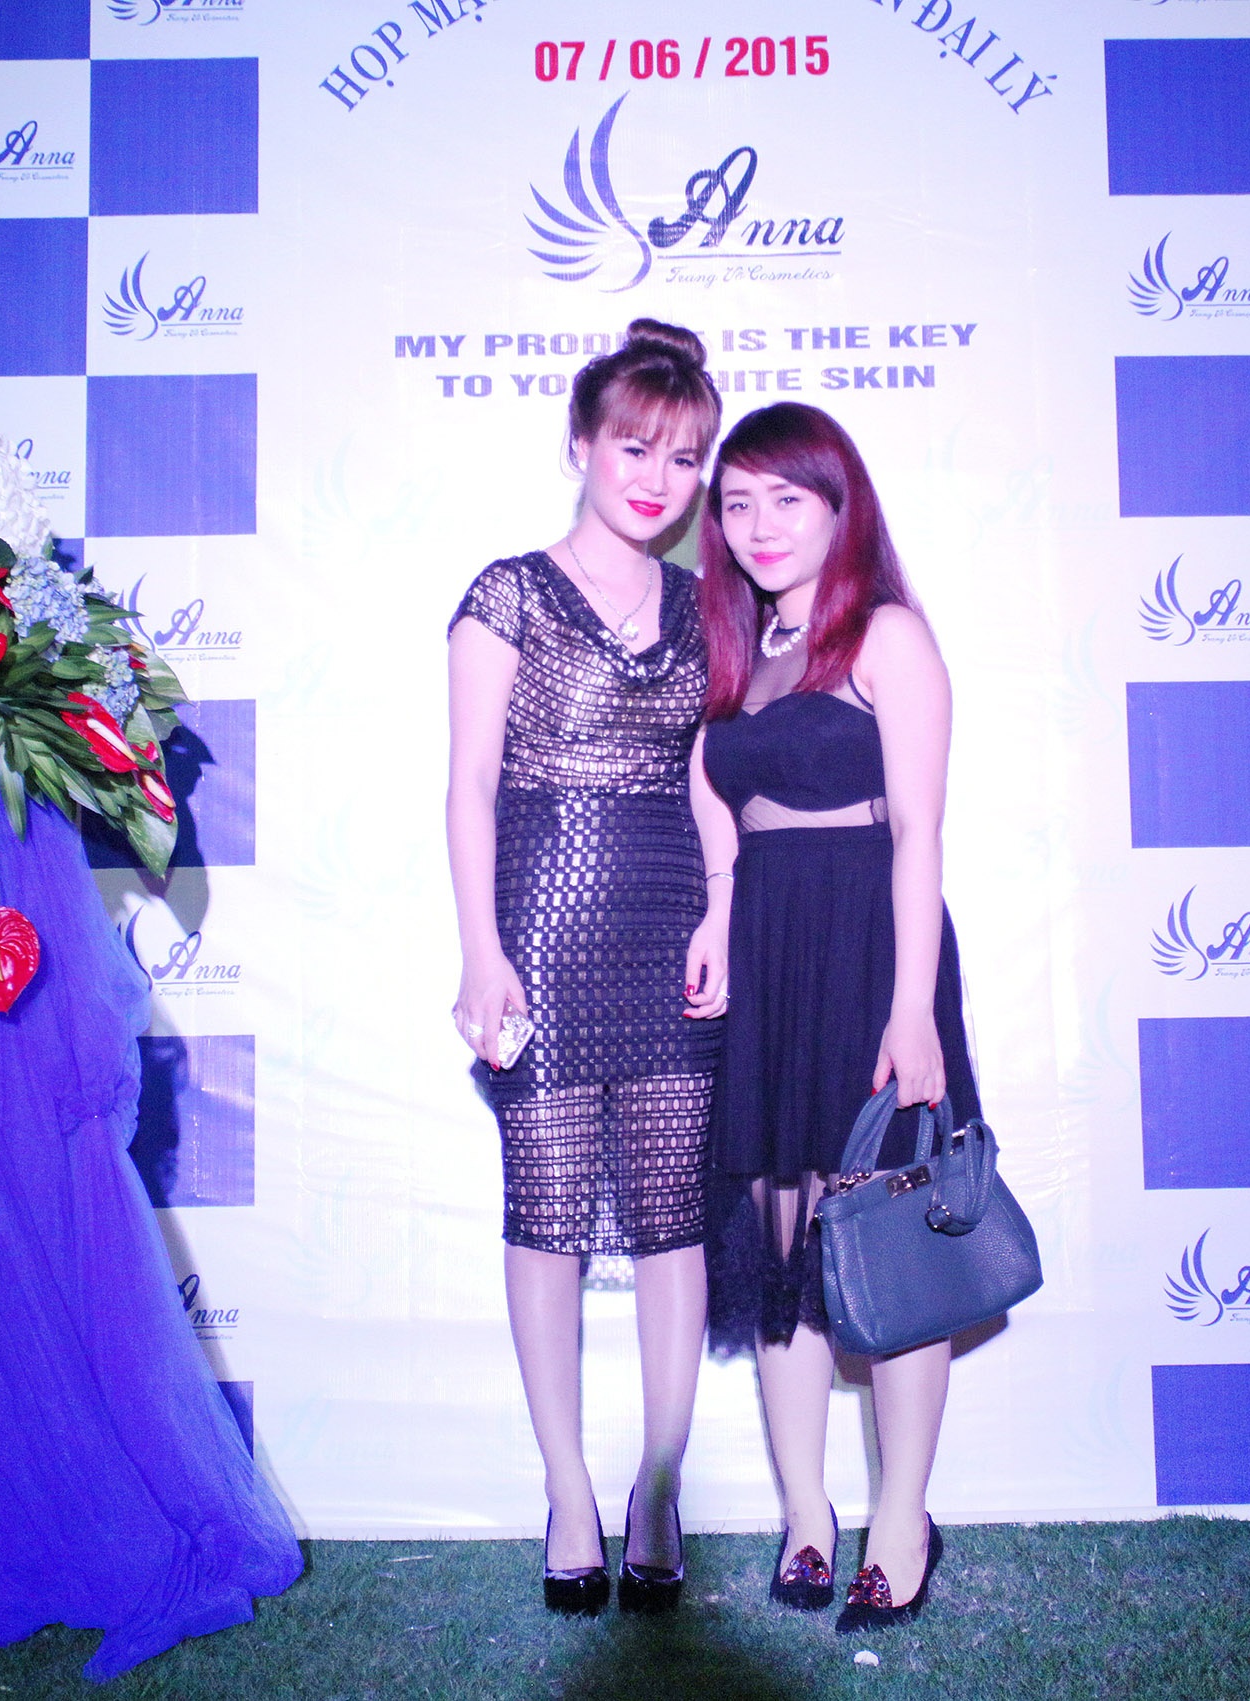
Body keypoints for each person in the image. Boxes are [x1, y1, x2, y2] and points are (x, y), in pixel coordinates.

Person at [445, 319, 732, 1615]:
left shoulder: (709, 607)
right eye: (634, 447)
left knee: (673, 1213)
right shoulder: (506, 594)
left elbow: (709, 783)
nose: (658, 478)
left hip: (670, 921)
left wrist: (722, 911)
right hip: (542, 926)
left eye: (683, 456)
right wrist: (481, 951)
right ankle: (566, 1490)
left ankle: (657, 1487)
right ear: (580, 444)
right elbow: (467, 787)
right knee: (548, 1209)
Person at [692, 402, 978, 1632]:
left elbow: (917, 832)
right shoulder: (736, 642)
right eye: (735, 504)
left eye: (784, 499)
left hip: (869, 943)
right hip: (766, 950)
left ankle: (899, 1520)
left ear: (836, 505)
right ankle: (804, 1517)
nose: (757, 525)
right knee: (784, 1252)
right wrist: (717, 914)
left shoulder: (886, 634)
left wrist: (910, 1009)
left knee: (890, 1248)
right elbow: (717, 797)